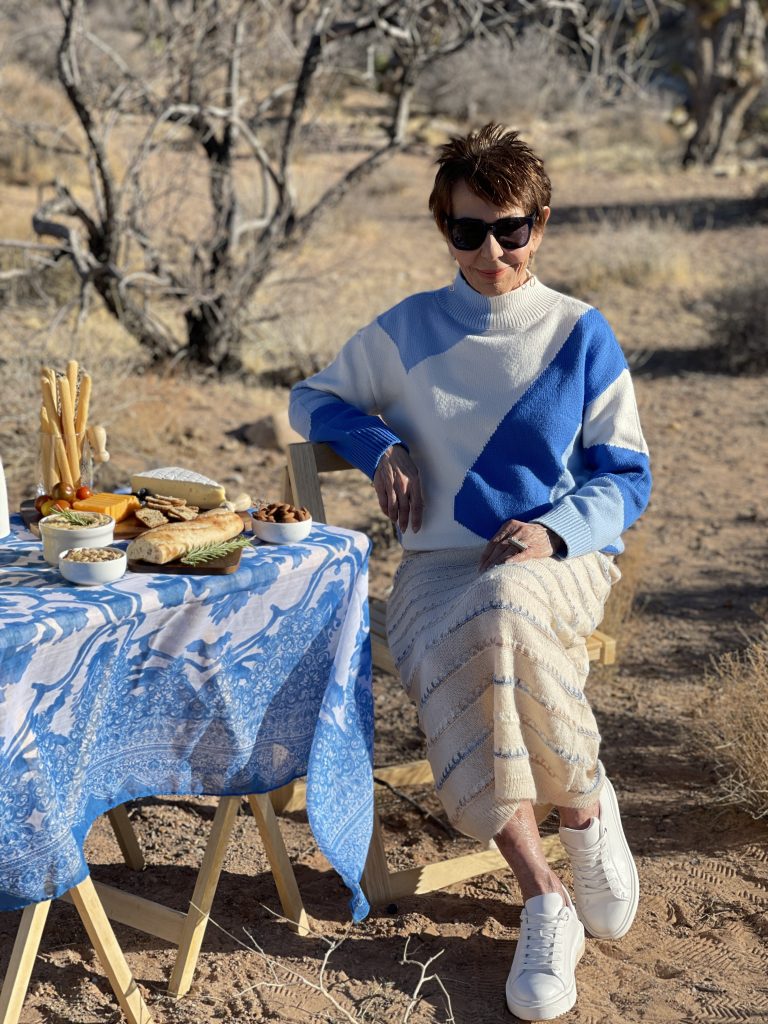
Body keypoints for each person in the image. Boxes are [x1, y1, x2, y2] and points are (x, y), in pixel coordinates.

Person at [289, 123, 651, 1021]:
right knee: (484, 616)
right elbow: (312, 400)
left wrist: (558, 532)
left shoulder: (580, 333)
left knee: (506, 609)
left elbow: (626, 474)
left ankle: (579, 811)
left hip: (559, 559)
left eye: (511, 229)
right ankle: (546, 891)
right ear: (444, 229)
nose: (490, 251)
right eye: (466, 230)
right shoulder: (408, 330)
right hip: (440, 569)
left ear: (542, 223)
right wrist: (375, 445)